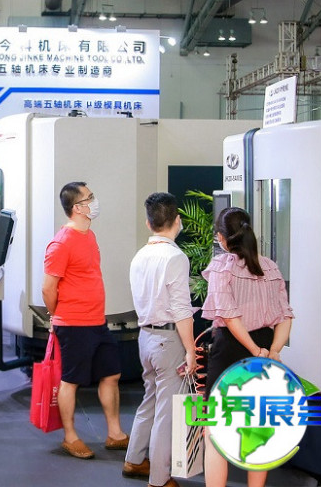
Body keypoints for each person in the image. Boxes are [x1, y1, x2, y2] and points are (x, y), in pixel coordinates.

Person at [201, 207, 293, 487]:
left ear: (221, 237)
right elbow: (285, 315)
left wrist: (254, 350)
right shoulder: (270, 266)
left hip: (230, 350)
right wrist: (272, 351)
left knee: (215, 430)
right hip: (265, 348)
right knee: (258, 427)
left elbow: (230, 317)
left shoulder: (221, 267)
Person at [41, 181, 128, 460]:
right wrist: (57, 316)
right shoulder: (61, 242)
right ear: (77, 207)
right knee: (71, 380)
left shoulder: (89, 236)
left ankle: (115, 433)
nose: (94, 201)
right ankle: (70, 437)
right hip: (73, 323)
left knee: (111, 374)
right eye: (90, 197)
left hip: (96, 321)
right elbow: (48, 288)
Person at [123, 193, 196, 487]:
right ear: (177, 220)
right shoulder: (176, 257)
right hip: (169, 340)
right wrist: (190, 350)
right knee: (166, 411)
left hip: (145, 337)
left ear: (148, 223)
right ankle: (159, 478)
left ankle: (134, 459)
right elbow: (181, 310)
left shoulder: (139, 255)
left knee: (150, 400)